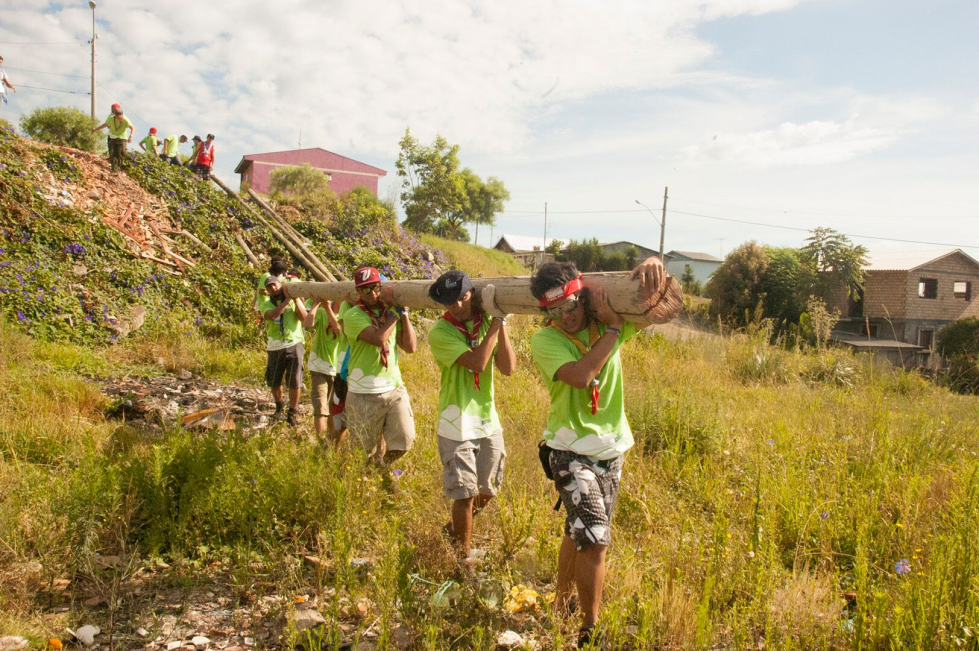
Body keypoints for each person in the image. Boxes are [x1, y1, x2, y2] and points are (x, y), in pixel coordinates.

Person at [529, 256, 665, 648]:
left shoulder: (606, 318)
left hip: (612, 448)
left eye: (570, 305)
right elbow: (580, 375)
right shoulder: (546, 338)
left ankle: (560, 604)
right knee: (596, 538)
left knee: (578, 532)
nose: (565, 316)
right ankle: (590, 629)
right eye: (553, 310)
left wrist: (653, 262)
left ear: (582, 295)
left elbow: (654, 307)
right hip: (569, 451)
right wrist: (613, 330)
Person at [427, 271, 515, 561]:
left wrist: (498, 324)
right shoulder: (440, 331)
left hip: (487, 419)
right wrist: (497, 322)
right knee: (463, 495)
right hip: (456, 423)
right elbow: (477, 364)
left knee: (487, 490)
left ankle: (454, 529)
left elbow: (507, 368)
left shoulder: (487, 321)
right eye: (450, 302)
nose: (457, 307)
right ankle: (463, 561)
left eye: (463, 298)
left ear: (471, 294)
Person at [342, 266, 417, 464]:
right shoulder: (353, 316)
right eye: (366, 290)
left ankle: (381, 467)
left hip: (394, 388)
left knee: (405, 439)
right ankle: (366, 481)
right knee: (362, 452)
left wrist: (404, 315)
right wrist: (394, 313)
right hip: (362, 392)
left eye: (376, 288)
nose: (373, 294)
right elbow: (378, 339)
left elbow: (410, 347)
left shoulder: (390, 315)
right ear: (358, 291)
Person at [258, 275, 308, 426]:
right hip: (275, 346)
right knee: (274, 380)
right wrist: (286, 301)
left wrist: (295, 299)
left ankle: (292, 411)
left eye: (275, 285)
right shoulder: (266, 304)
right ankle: (279, 404)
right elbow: (272, 315)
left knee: (294, 380)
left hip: (294, 343)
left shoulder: (293, 302)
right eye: (269, 287)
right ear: (267, 290)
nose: (273, 289)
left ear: (281, 285)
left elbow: (304, 318)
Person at [303, 299, 345, 444]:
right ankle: (321, 441)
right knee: (321, 406)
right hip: (318, 365)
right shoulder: (322, 311)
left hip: (337, 369)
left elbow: (339, 331)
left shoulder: (346, 315)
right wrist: (316, 304)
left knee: (334, 408)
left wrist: (328, 308)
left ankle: (329, 439)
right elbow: (307, 324)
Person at [91, 104, 135, 173]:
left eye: (121, 116)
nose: (120, 118)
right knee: (113, 153)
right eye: (118, 117)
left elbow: (132, 128)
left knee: (121, 152)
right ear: (115, 115)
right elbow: (105, 125)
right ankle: (115, 169)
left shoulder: (126, 120)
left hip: (122, 138)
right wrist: (95, 129)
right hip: (113, 137)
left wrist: (131, 136)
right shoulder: (111, 118)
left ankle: (122, 166)